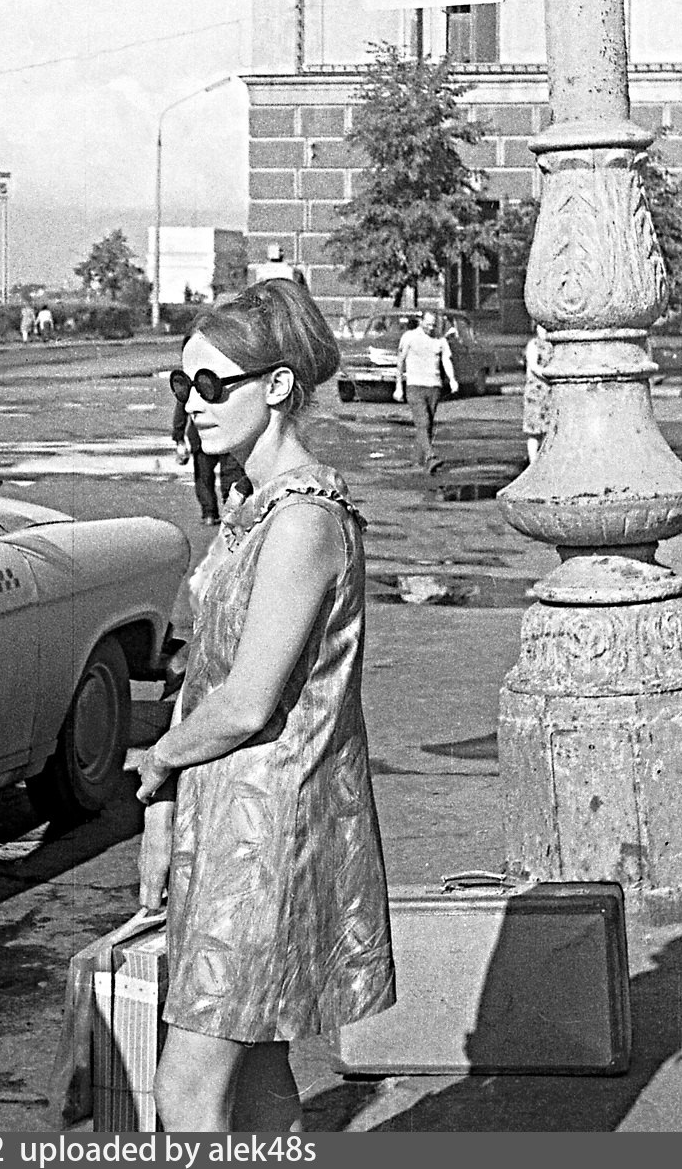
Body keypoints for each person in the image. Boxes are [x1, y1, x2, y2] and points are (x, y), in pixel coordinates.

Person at [134, 278, 394, 1132]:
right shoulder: (253, 506)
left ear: (277, 385)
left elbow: (246, 702)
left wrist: (157, 760)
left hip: (267, 837)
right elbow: (205, 673)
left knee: (186, 1089)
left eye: (213, 384)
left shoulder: (302, 522)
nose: (193, 404)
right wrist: (163, 811)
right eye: (184, 383)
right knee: (258, 1075)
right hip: (228, 826)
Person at [172, 387, 250, 525]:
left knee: (204, 477)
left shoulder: (193, 382)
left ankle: (210, 514)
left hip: (203, 433)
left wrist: (179, 438)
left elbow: (181, 407)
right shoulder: (227, 380)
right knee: (230, 474)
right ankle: (231, 512)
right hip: (226, 433)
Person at [393, 308, 458, 474]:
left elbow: (446, 360)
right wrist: (398, 386)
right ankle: (430, 456)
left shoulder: (440, 339)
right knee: (423, 422)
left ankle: (418, 461)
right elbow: (400, 362)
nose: (431, 328)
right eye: (428, 324)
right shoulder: (409, 337)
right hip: (415, 386)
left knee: (427, 425)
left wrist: (452, 379)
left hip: (434, 387)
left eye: (433, 325)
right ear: (420, 322)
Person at [522, 324, 553, 464]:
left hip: (550, 391)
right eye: (541, 327)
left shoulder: (553, 345)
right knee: (534, 431)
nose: (544, 331)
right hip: (536, 391)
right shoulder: (533, 344)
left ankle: (546, 460)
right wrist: (550, 375)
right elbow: (534, 366)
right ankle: (533, 462)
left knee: (548, 429)